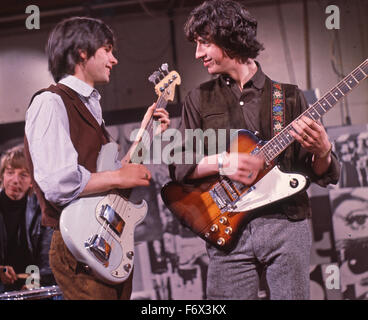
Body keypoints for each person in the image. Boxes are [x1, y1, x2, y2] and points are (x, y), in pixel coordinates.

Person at [168, 0, 340, 299]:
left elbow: (312, 171)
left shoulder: (287, 96)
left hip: (285, 223)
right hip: (228, 228)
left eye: (204, 43)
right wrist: (223, 162)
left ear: (228, 37)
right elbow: (180, 166)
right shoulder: (198, 99)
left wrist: (323, 152)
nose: (197, 54)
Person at [24, 17, 170, 300]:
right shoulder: (50, 102)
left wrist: (146, 135)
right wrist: (118, 176)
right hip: (77, 242)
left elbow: (110, 176)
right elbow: (58, 182)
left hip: (104, 240)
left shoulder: (90, 107)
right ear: (82, 51)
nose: (114, 59)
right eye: (107, 49)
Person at [0, 145, 55, 293]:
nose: (15, 180)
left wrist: (35, 282)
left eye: (23, 175)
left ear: (32, 181)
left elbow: (47, 258)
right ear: (2, 176)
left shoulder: (42, 208)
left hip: (32, 284)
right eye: (10, 172)